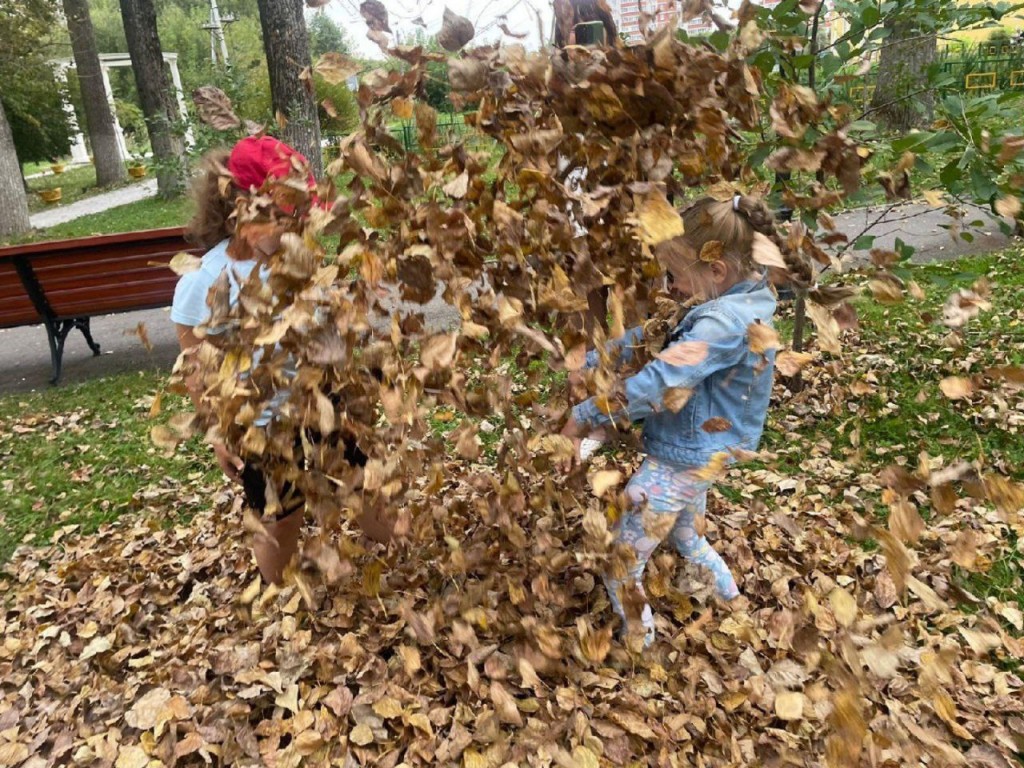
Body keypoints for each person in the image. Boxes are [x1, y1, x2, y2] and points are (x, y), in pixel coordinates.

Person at [562, 193, 784, 648]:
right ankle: (732, 602)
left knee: (621, 560)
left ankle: (639, 644)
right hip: (701, 456)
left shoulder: (720, 324)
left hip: (681, 461)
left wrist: (582, 417)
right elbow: (654, 335)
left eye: (675, 276)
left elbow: (660, 382)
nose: (670, 286)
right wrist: (596, 360)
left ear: (715, 268)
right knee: (687, 538)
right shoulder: (733, 299)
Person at [171, 136, 374, 585]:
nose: (299, 222)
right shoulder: (205, 279)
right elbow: (197, 368)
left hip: (323, 402)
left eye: (303, 212)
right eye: (285, 214)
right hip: (261, 425)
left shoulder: (304, 263)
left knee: (367, 487)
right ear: (241, 210)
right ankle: (275, 597)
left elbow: (333, 332)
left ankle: (403, 566)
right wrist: (219, 433)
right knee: (279, 518)